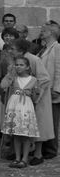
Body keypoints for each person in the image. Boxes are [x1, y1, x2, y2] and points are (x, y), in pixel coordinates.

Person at [0, 56, 40, 168]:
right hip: (14, 106)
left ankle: (25, 158)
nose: (18, 67)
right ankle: (17, 158)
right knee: (16, 134)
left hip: (26, 107)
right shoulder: (14, 78)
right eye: (16, 64)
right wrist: (9, 74)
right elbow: (3, 85)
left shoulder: (33, 80)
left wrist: (32, 94)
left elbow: (37, 96)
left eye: (21, 65)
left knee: (25, 134)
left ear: (27, 67)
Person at [39, 23, 60, 160]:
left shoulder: (57, 48)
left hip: (52, 90)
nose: (41, 32)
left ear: (51, 33)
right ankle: (45, 146)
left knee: (52, 120)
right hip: (44, 91)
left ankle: (51, 149)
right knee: (45, 119)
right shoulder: (44, 49)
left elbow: (59, 70)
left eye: (44, 30)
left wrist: (57, 89)